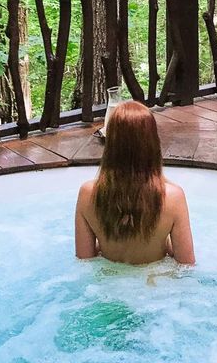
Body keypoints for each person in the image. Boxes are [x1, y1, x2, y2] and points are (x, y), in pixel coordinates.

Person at [75, 100, 195, 265]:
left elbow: (84, 259)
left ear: (111, 144)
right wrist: (164, 243)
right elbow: (186, 264)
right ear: (153, 142)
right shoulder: (173, 197)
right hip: (154, 284)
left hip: (108, 286)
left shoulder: (87, 193)